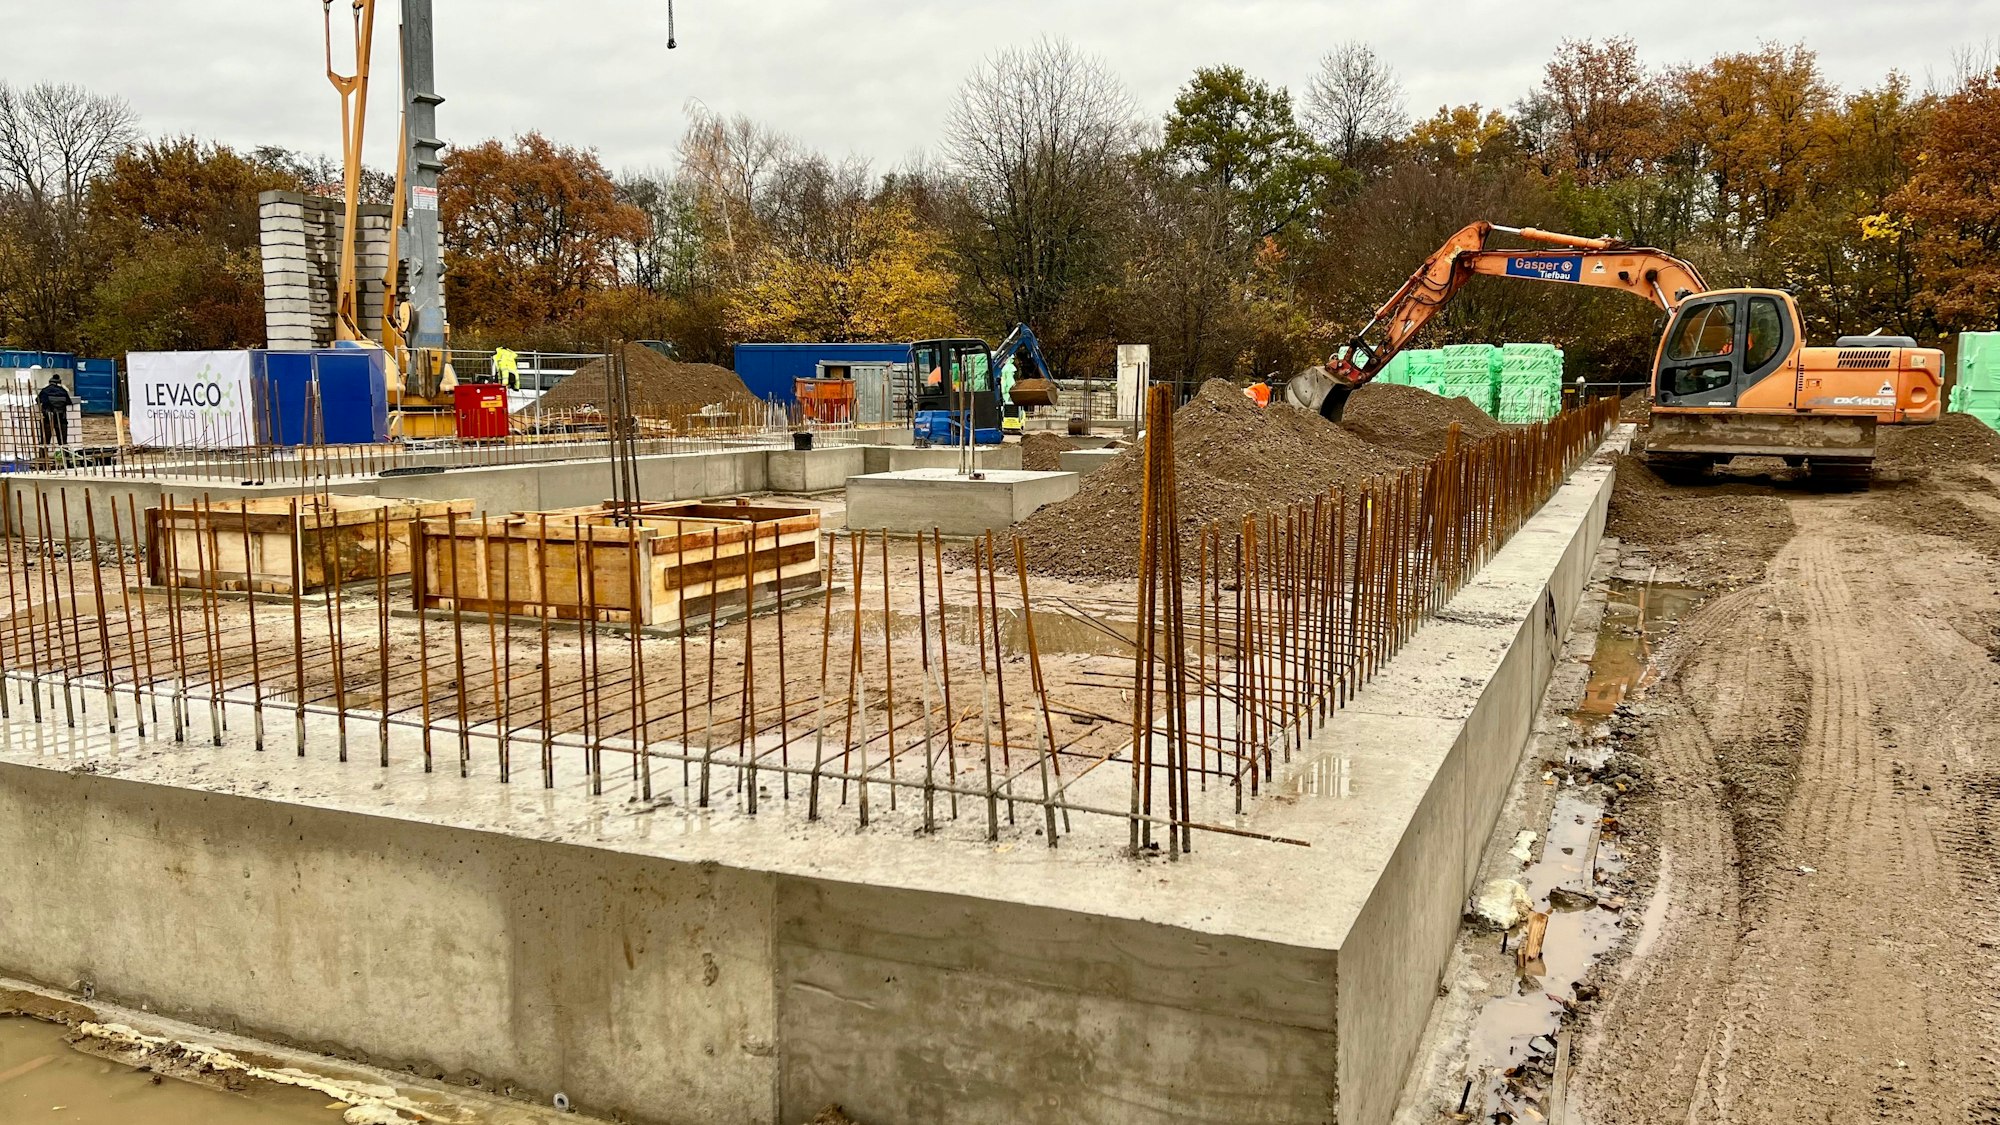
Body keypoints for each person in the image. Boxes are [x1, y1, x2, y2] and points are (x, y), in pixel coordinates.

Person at [35, 370, 73, 448]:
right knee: (63, 443)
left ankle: (43, 457)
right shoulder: (63, 391)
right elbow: (69, 402)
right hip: (61, 418)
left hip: (48, 418)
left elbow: (37, 400)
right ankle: (65, 458)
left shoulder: (45, 390)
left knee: (44, 442)